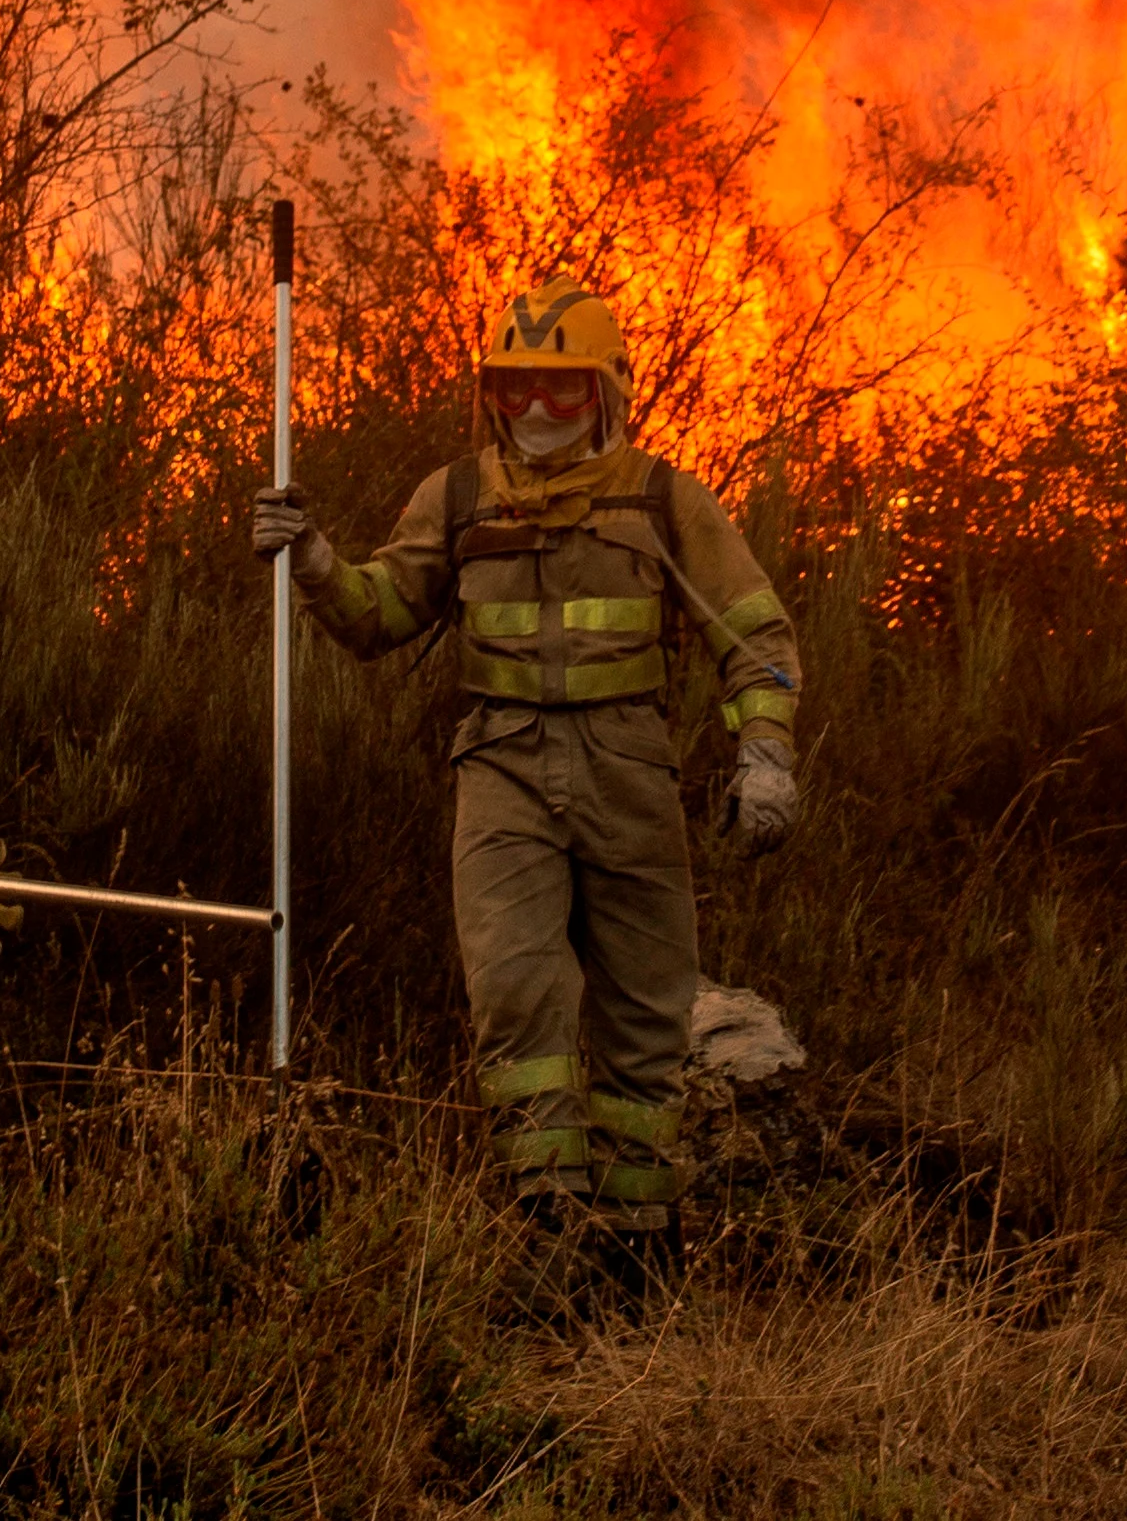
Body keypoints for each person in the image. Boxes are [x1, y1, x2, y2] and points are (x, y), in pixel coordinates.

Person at [251, 285, 804, 1283]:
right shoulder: (456, 494)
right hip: (501, 770)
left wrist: (764, 750)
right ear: (490, 398)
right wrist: (317, 561)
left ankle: (638, 1258)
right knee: (515, 995)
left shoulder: (665, 497)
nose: (537, 412)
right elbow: (380, 614)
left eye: (560, 389)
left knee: (644, 1014)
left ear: (606, 392)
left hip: (630, 775)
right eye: (515, 392)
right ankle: (552, 1236)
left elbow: (755, 635)